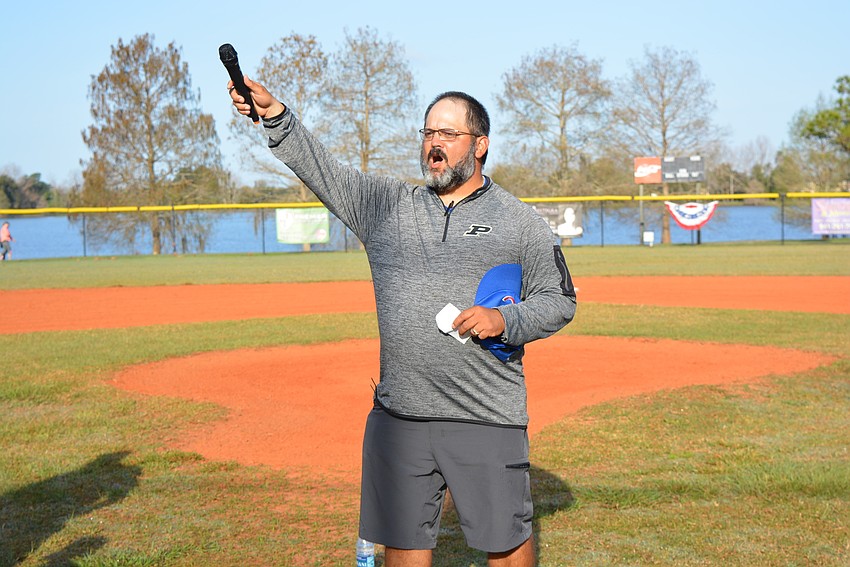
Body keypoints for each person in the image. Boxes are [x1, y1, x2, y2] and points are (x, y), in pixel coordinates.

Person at [229, 77, 576, 567]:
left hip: (484, 415)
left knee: (505, 541)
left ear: (480, 145)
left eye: (448, 134)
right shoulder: (387, 206)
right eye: (428, 132)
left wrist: (505, 318)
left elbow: (559, 300)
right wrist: (275, 114)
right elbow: (322, 169)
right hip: (400, 418)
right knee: (403, 543)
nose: (434, 143)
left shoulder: (520, 222)